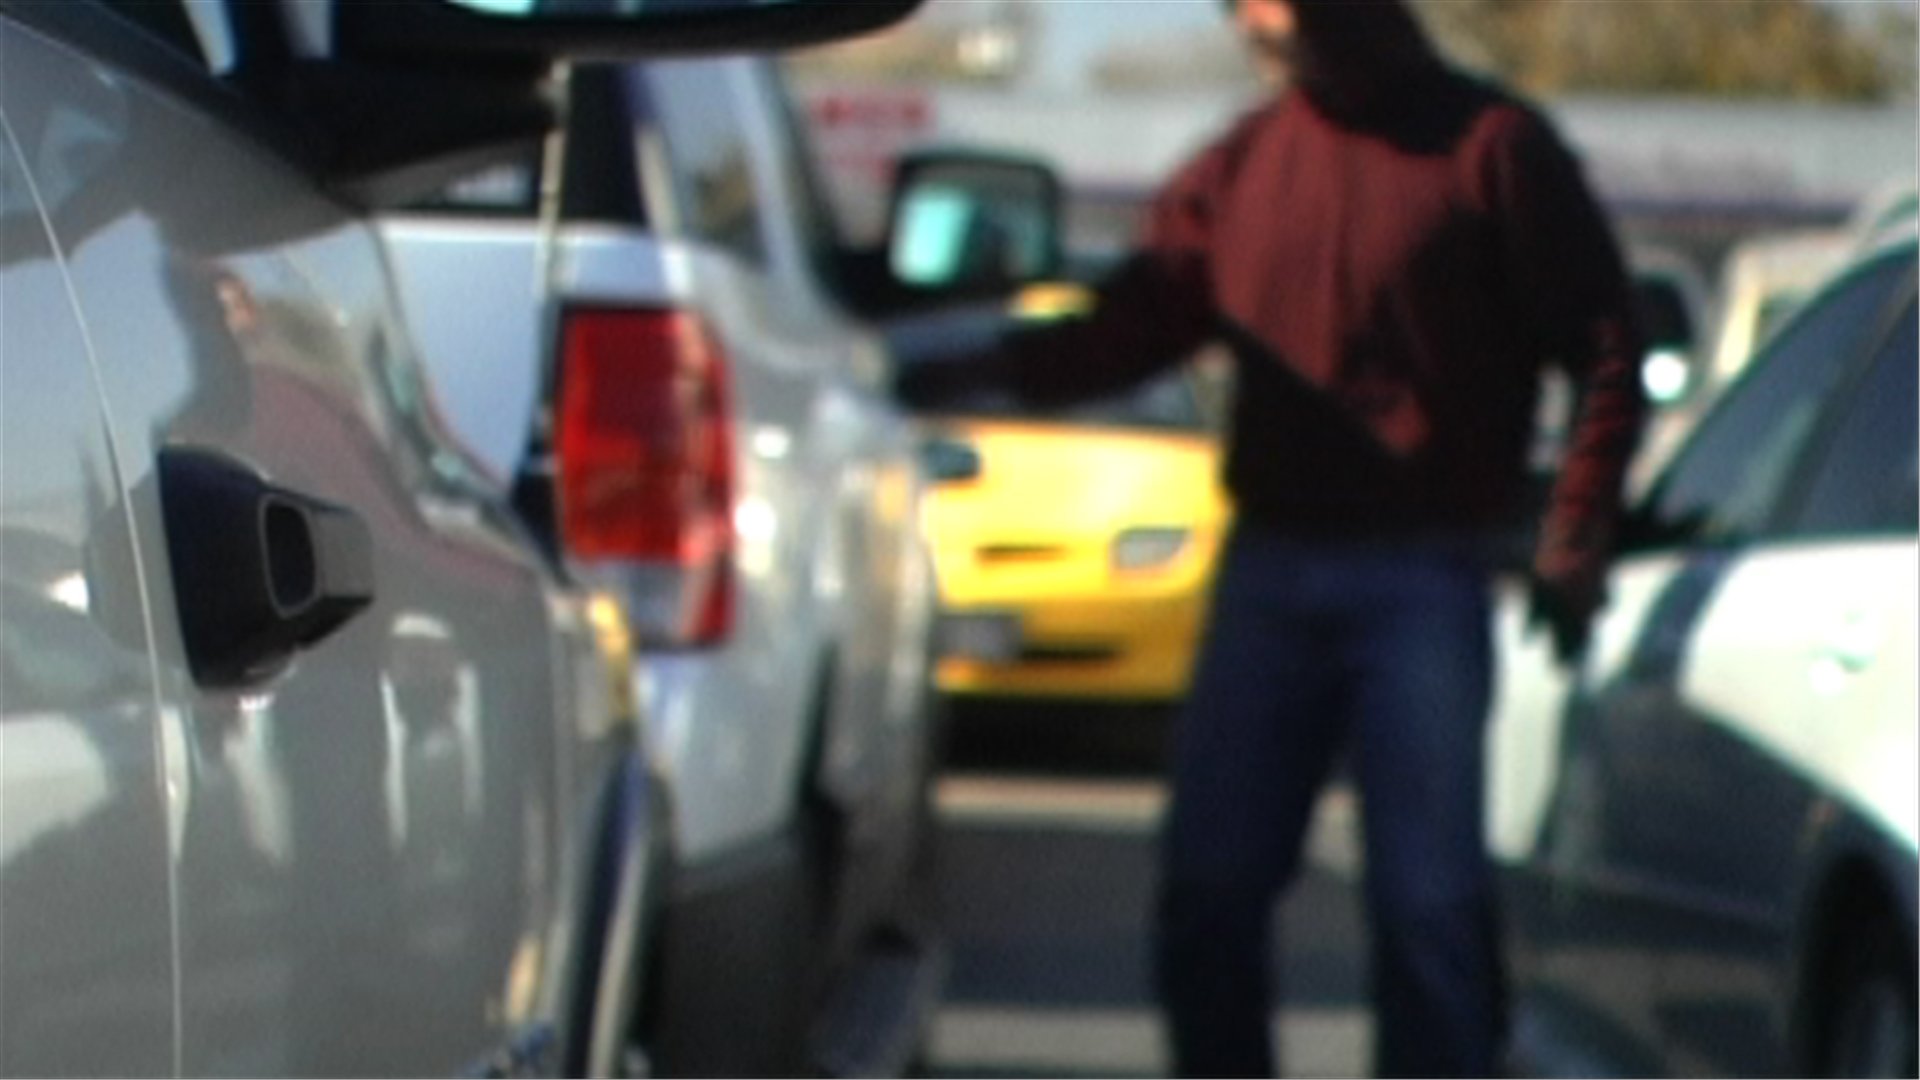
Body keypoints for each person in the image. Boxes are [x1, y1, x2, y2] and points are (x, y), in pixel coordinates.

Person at [897, 0, 1647, 1075]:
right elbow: (1132, 326)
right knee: (1209, 887)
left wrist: (1575, 542)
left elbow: (1606, 348)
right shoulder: (1245, 166)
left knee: (1428, 902)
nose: (1245, 20)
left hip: (1424, 574)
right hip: (1271, 566)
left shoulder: (1490, 150)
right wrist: (958, 370)